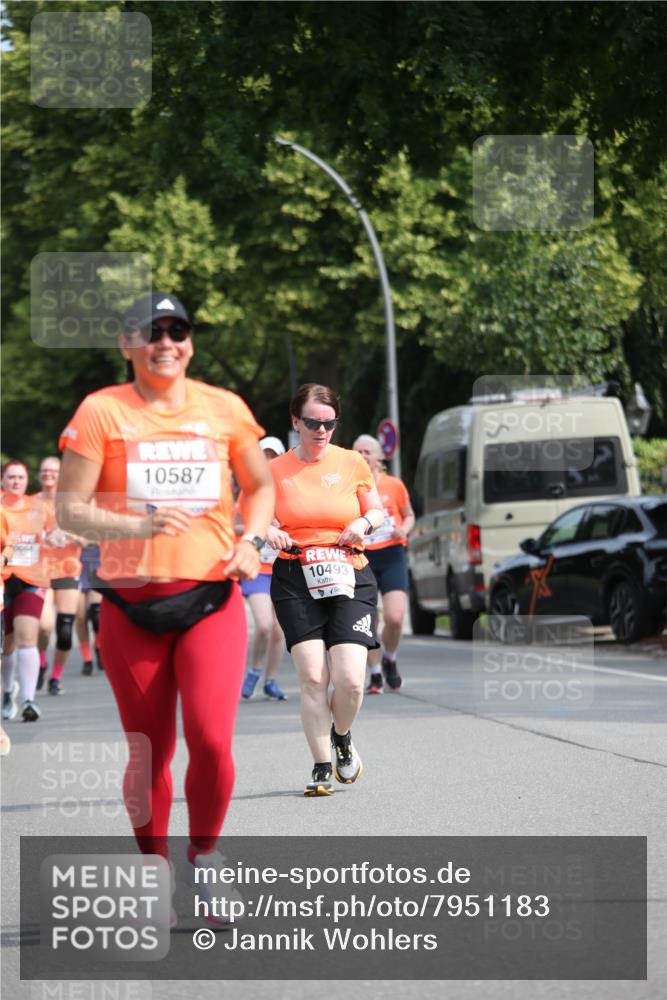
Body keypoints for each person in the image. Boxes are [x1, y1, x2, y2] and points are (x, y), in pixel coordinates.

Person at [56, 292, 274, 887]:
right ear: (126, 345)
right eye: (151, 332)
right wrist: (138, 527)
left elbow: (260, 487)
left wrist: (252, 541)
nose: (166, 343)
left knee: (211, 740)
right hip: (131, 605)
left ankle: (206, 857)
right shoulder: (102, 410)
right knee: (149, 751)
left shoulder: (224, 408)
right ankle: (154, 870)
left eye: (177, 331)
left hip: (211, 599)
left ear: (191, 343)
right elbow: (70, 510)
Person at [266, 384, 384, 796]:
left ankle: (341, 736)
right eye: (313, 423)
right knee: (313, 677)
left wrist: (363, 523)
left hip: (349, 571)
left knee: (350, 680)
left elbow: (377, 510)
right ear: (295, 422)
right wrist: (268, 530)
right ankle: (320, 765)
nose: (321, 431)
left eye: (329, 424)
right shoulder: (275, 470)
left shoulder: (352, 462)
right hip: (295, 575)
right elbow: (251, 516)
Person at [353, 435, 415, 693]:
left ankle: (390, 658)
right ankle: (375, 673)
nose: (363, 455)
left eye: (368, 451)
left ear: (379, 457)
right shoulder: (350, 486)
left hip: (392, 555)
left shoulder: (394, 485)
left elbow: (409, 515)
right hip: (363, 556)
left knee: (395, 617)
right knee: (368, 619)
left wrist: (404, 530)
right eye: (358, 451)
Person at [239, 437, 288, 701]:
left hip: (282, 567)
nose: (268, 461)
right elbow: (234, 524)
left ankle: (271, 680)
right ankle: (254, 671)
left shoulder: (289, 489)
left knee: (280, 630)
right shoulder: (250, 489)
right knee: (265, 624)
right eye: (264, 455)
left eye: (273, 455)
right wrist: (258, 529)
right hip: (257, 568)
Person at [1, 460, 49, 722]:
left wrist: (54, 538)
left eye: (20, 477)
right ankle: (8, 691)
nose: (16, 481)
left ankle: (29, 699)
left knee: (27, 635)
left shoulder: (38, 507)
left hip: (31, 578)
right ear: (2, 480)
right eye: (11, 477)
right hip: (4, 579)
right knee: (7, 644)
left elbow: (52, 534)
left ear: (27, 481)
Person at [34, 456, 83, 695]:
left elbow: (91, 538)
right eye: (44, 471)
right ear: (39, 475)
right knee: (44, 627)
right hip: (40, 571)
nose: (49, 475)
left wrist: (69, 536)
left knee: (64, 632)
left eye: (53, 471)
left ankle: (56, 677)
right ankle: (41, 661)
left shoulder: (73, 504)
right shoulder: (30, 502)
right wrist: (40, 537)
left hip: (68, 569)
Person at [76, 544, 104, 676]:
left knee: (97, 615)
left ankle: (98, 646)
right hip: (76, 567)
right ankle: (87, 659)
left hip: (97, 566)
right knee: (81, 618)